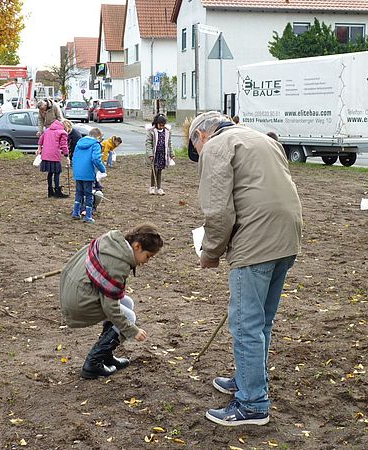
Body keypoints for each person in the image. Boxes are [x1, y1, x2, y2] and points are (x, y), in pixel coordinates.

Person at [187, 111, 303, 427]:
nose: (199, 156)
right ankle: (246, 379)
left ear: (201, 136)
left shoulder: (216, 146)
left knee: (245, 324)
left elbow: (219, 212)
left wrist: (210, 253)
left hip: (256, 243)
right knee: (261, 321)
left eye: (195, 150)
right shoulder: (261, 138)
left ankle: (252, 404)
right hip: (287, 237)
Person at [59, 223, 163, 378]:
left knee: (127, 303)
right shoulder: (119, 264)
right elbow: (111, 307)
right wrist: (132, 330)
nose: (146, 261)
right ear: (137, 246)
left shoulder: (113, 241)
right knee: (129, 317)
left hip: (74, 290)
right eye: (148, 256)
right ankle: (93, 364)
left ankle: (106, 355)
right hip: (78, 302)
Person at [72, 128, 106, 223]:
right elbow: (96, 159)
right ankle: (88, 216)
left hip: (78, 172)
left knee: (78, 192)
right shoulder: (96, 145)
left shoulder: (79, 143)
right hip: (88, 172)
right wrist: (102, 169)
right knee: (88, 194)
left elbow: (74, 157)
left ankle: (76, 212)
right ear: (98, 136)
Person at [37, 119, 69, 198]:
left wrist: (39, 148)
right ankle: (57, 191)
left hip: (46, 154)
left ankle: (50, 191)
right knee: (57, 172)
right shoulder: (63, 133)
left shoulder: (47, 130)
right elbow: (63, 145)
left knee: (50, 173)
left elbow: (41, 139)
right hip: (54, 154)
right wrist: (67, 155)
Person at [145, 114, 174, 195]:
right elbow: (148, 143)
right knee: (154, 169)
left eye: (163, 125)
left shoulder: (167, 132)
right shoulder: (152, 132)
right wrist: (150, 154)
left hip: (163, 154)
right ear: (156, 123)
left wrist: (171, 153)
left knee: (160, 170)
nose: (161, 127)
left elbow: (169, 143)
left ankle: (159, 188)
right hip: (154, 154)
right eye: (160, 125)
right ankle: (152, 187)